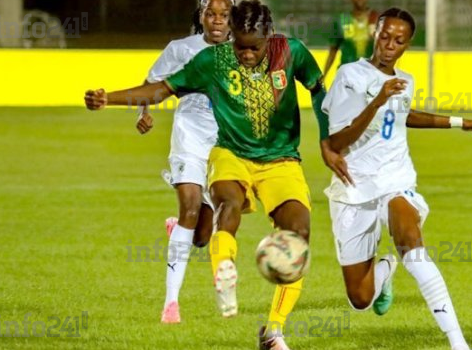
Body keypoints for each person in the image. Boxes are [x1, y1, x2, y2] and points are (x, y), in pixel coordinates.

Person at [84, 1, 350, 348]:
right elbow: (162, 90)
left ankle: (273, 331)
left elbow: (318, 89)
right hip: (230, 154)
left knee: (298, 235)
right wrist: (110, 99)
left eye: (254, 47)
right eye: (239, 45)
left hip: (281, 160)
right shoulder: (213, 60)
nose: (246, 54)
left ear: (269, 37)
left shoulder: (292, 52)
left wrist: (327, 141)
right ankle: (225, 273)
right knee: (228, 203)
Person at [322, 8, 472, 350]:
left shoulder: (405, 80)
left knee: (413, 249)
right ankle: (385, 270)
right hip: (354, 189)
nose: (390, 45)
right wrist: (377, 101)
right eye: (385, 36)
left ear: (408, 44)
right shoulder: (350, 75)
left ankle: (458, 342)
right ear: (375, 33)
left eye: (399, 40)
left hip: (395, 179)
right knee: (360, 298)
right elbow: (338, 143)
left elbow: (405, 116)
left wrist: (463, 123)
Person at [134, 0, 233, 324]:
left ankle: (178, 230)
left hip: (223, 146)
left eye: (224, 15)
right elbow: (152, 84)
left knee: (202, 235)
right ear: (201, 17)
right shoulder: (181, 49)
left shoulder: (243, 52)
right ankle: (171, 305)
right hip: (188, 140)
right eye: (211, 14)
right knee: (190, 209)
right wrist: (143, 112)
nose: (217, 21)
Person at [323, 0, 378, 79]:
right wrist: (324, 75)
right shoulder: (341, 20)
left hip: (370, 76)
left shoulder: (376, 19)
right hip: (347, 76)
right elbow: (332, 51)